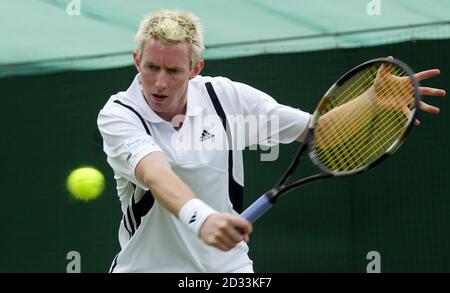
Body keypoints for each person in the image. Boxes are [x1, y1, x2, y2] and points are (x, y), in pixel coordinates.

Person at [97, 10, 445, 273]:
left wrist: (370, 100)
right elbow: (157, 175)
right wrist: (203, 219)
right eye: (150, 67)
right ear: (136, 60)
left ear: (195, 68)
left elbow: (319, 132)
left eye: (172, 71)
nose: (159, 82)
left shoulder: (228, 100)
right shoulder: (119, 114)